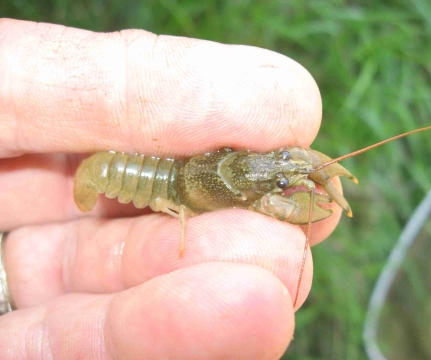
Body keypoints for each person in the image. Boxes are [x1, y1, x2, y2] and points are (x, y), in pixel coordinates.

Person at [0, 19, 343, 359]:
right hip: (150, 180)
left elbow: (288, 162)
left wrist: (292, 168)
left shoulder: (252, 164)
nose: (282, 169)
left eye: (281, 180)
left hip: (166, 174)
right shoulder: (252, 198)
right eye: (281, 168)